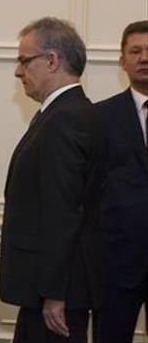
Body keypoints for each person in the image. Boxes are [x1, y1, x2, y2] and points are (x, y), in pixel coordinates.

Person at [0, 17, 106, 343]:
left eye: (24, 60)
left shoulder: (65, 118)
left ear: (52, 60)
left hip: (56, 292)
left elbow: (63, 211)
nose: (18, 72)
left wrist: (54, 293)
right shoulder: (63, 113)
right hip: (48, 287)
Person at [94, 20, 148, 342]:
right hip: (116, 266)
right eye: (135, 51)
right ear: (122, 61)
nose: (144, 58)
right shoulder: (99, 117)